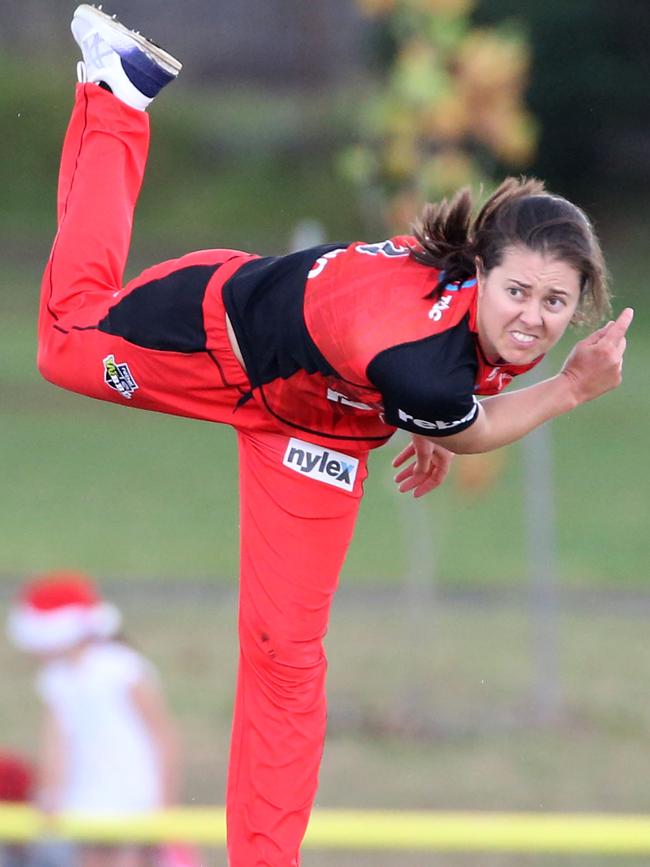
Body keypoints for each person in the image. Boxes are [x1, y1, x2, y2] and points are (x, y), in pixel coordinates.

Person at [36, 6, 632, 865]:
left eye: (557, 303)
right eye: (519, 294)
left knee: (286, 652)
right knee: (63, 339)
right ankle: (119, 93)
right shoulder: (424, 360)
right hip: (215, 341)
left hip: (320, 428)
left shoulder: (455, 338)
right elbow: (466, 428)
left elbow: (443, 388)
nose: (535, 319)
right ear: (477, 274)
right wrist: (570, 387)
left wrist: (416, 410)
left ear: (582, 301)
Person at [6, 571, 180, 867]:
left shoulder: (123, 668)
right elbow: (56, 743)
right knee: (90, 858)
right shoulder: (56, 680)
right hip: (85, 789)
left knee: (127, 857)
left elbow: (162, 734)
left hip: (131, 788)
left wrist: (166, 798)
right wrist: (51, 794)